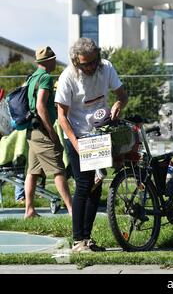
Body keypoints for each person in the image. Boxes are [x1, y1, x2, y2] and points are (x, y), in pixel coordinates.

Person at [55, 38, 128, 252]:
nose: (90, 67)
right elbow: (62, 117)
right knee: (84, 185)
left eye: (93, 62)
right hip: (76, 135)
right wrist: (77, 146)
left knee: (96, 186)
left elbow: (122, 95)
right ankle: (78, 240)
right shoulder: (68, 76)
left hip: (98, 134)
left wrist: (117, 103)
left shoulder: (106, 68)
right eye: (85, 64)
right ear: (76, 62)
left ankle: (88, 238)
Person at [24, 46, 73, 218]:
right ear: (48, 61)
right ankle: (72, 210)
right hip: (42, 131)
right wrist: (51, 132)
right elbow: (40, 106)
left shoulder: (32, 78)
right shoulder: (45, 78)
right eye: (53, 59)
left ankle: (29, 210)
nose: (55, 61)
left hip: (32, 130)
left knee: (33, 171)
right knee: (58, 169)